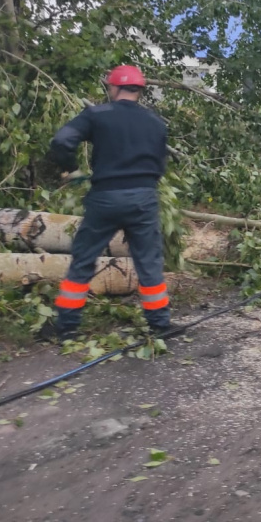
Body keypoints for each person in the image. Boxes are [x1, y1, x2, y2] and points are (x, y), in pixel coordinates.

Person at [40, 65, 171, 341]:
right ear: (139, 90)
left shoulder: (97, 115)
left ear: (114, 88)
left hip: (106, 198)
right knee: (149, 261)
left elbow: (62, 141)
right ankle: (160, 325)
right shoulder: (156, 123)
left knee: (84, 258)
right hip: (144, 198)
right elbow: (160, 167)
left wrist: (71, 169)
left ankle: (67, 328)